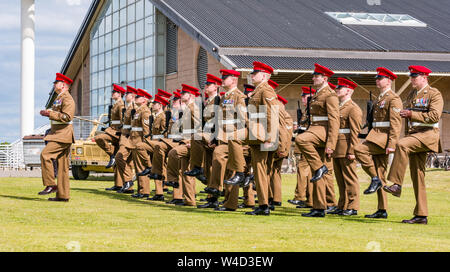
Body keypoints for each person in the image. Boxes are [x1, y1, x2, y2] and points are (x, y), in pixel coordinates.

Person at [383, 65, 443, 224]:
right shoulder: (411, 94)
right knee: (417, 175)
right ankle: (421, 215)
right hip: (415, 135)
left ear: (424, 77)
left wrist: (411, 114)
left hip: (429, 134)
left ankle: (396, 184)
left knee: (401, 145)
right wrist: (406, 114)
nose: (411, 80)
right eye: (411, 77)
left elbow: (435, 116)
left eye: (414, 77)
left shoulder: (434, 93)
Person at [354, 67, 402, 219]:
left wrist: (392, 143)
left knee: (360, 149)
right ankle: (382, 209)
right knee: (381, 174)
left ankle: (374, 178)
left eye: (380, 78)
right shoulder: (379, 98)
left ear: (389, 80)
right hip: (376, 135)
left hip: (383, 137)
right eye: (377, 78)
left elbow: (396, 123)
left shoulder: (393, 98)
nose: (377, 80)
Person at [295, 63, 339, 217]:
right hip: (315, 129)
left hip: (322, 130)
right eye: (313, 76)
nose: (314, 78)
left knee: (301, 140)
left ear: (325, 78)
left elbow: (334, 121)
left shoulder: (330, 95)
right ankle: (319, 207)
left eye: (317, 76)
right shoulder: (317, 94)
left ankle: (320, 168)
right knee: (317, 171)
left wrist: (331, 144)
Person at [245, 61, 279, 216]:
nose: (252, 75)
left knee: (260, 169)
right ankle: (263, 203)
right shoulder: (259, 90)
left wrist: (270, 136)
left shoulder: (266, 90)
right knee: (259, 170)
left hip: (262, 134)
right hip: (256, 133)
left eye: (255, 73)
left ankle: (264, 205)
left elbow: (272, 113)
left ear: (264, 75)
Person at [38, 73, 75, 202]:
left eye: (56, 82)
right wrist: (49, 113)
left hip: (62, 135)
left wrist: (50, 113)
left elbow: (67, 117)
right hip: (59, 134)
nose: (54, 84)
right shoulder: (59, 97)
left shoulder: (67, 98)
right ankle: (63, 196)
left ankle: (50, 184)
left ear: (63, 85)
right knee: (63, 168)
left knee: (45, 155)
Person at [330, 78, 363, 216]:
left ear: (349, 91)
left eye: (340, 88)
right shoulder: (339, 106)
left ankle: (353, 206)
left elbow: (355, 131)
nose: (337, 90)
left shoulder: (353, 108)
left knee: (350, 178)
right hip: (337, 146)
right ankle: (342, 205)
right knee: (340, 179)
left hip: (347, 147)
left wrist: (352, 150)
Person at [96, 84, 126, 191]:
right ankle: (118, 184)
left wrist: (121, 134)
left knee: (99, 138)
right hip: (112, 130)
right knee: (117, 160)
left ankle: (111, 155)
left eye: (114, 92)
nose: (112, 94)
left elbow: (123, 121)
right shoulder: (115, 104)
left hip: (117, 133)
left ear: (120, 94)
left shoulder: (121, 105)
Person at [116, 86, 138, 194]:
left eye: (127, 94)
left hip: (129, 139)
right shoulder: (128, 107)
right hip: (124, 137)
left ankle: (128, 181)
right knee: (127, 162)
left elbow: (134, 125)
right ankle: (128, 186)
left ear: (132, 96)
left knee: (119, 157)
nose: (125, 96)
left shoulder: (133, 108)